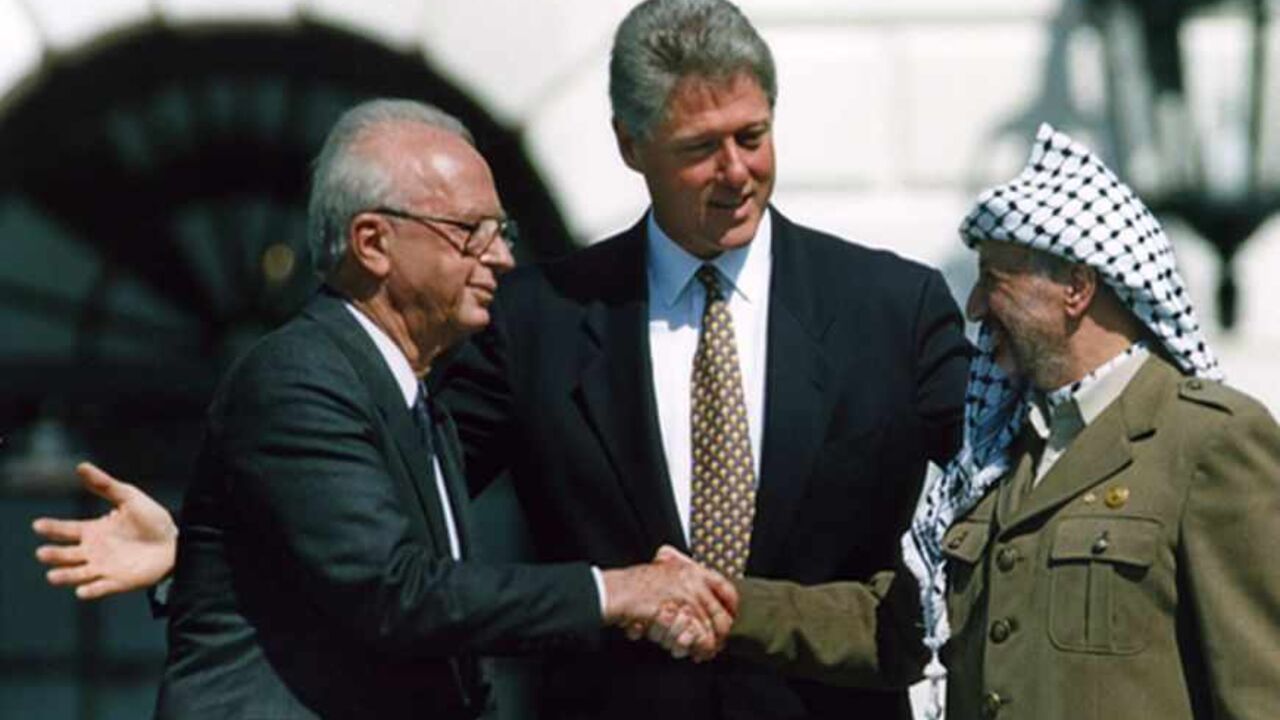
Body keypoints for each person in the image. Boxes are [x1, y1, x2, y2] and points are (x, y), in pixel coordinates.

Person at [36, 2, 970, 718]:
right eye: (699, 148)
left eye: (752, 137)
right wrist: (218, 549)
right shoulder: (542, 321)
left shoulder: (896, 308)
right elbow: (393, 523)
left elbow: (991, 508)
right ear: (631, 147)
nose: (735, 171)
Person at [78, 98, 736, 719]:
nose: (502, 256)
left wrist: (188, 555)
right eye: (470, 232)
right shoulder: (298, 378)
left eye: (502, 231)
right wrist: (614, 591)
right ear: (372, 243)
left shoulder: (418, 399)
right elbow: (398, 595)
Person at [659, 124, 1280, 720]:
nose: (977, 307)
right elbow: (896, 626)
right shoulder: (1001, 457)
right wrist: (725, 605)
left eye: (994, 280)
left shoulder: (1209, 442)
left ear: (1077, 288)